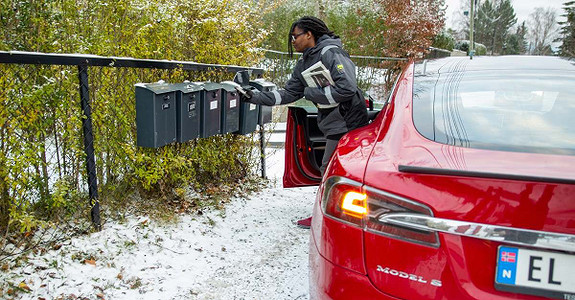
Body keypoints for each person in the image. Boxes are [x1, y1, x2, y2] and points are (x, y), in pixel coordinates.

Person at [237, 16, 368, 229]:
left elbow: (347, 88)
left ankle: (329, 219)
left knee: (332, 169)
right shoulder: (304, 63)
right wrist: (253, 97)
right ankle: (334, 216)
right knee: (333, 170)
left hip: (349, 121)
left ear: (309, 34)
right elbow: (288, 94)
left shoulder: (331, 53)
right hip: (332, 123)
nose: (292, 41)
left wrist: (311, 93)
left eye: (295, 36)